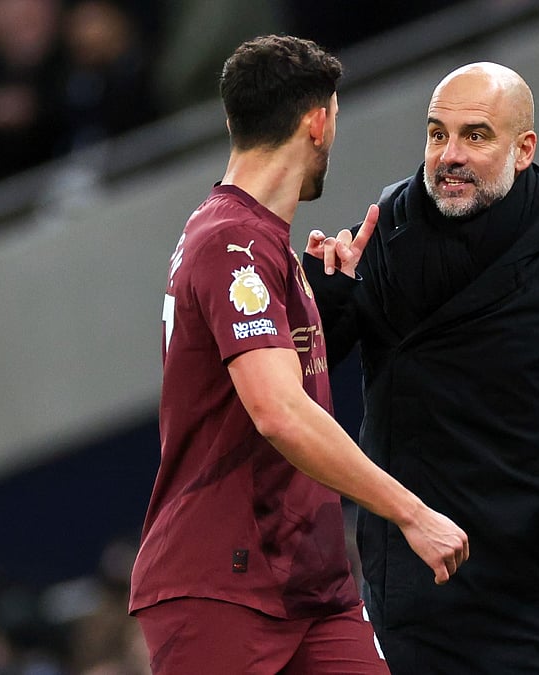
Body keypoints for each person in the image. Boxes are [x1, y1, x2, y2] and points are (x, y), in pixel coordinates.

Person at [304, 62, 539, 674]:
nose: (450, 155)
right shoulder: (380, 243)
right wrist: (327, 292)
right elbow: (312, 372)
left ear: (523, 149)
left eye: (475, 136)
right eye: (437, 134)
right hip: (412, 597)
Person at [127, 35, 469, 675]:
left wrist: (327, 307)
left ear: (234, 121)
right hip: (223, 582)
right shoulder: (235, 244)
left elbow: (277, 388)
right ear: (318, 122)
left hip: (309, 584)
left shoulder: (254, 244)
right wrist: (411, 513)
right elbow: (279, 412)